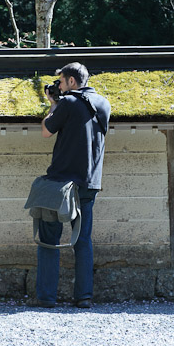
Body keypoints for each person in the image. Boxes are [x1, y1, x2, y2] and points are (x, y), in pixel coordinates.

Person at [37, 62, 111, 308]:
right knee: (83, 240)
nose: (58, 85)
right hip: (89, 182)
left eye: (60, 81)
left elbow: (47, 131)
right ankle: (84, 297)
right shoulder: (103, 103)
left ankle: (47, 297)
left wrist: (53, 104)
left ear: (71, 81)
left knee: (49, 238)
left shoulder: (67, 103)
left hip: (61, 182)